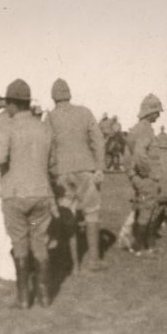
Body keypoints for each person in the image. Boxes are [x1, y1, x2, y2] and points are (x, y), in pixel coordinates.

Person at [0, 79, 56, 308]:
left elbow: (0, 158)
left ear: (11, 104)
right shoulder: (44, 128)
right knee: (40, 243)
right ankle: (45, 296)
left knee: (20, 243)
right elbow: (52, 162)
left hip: (15, 194)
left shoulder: (7, 127)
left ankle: (23, 298)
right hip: (41, 192)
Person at [45, 78, 106, 273]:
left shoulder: (51, 118)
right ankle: (94, 260)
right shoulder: (85, 112)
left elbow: (47, 147)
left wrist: (51, 170)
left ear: (54, 98)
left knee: (67, 214)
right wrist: (99, 168)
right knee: (91, 212)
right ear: (69, 94)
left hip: (62, 172)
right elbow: (98, 140)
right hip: (86, 169)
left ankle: (71, 263)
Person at [118, 94, 164, 256]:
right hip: (145, 178)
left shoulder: (138, 128)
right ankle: (139, 247)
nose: (158, 115)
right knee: (147, 209)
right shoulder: (145, 129)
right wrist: (148, 174)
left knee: (142, 207)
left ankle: (137, 243)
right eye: (157, 111)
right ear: (149, 112)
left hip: (137, 176)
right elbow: (139, 154)